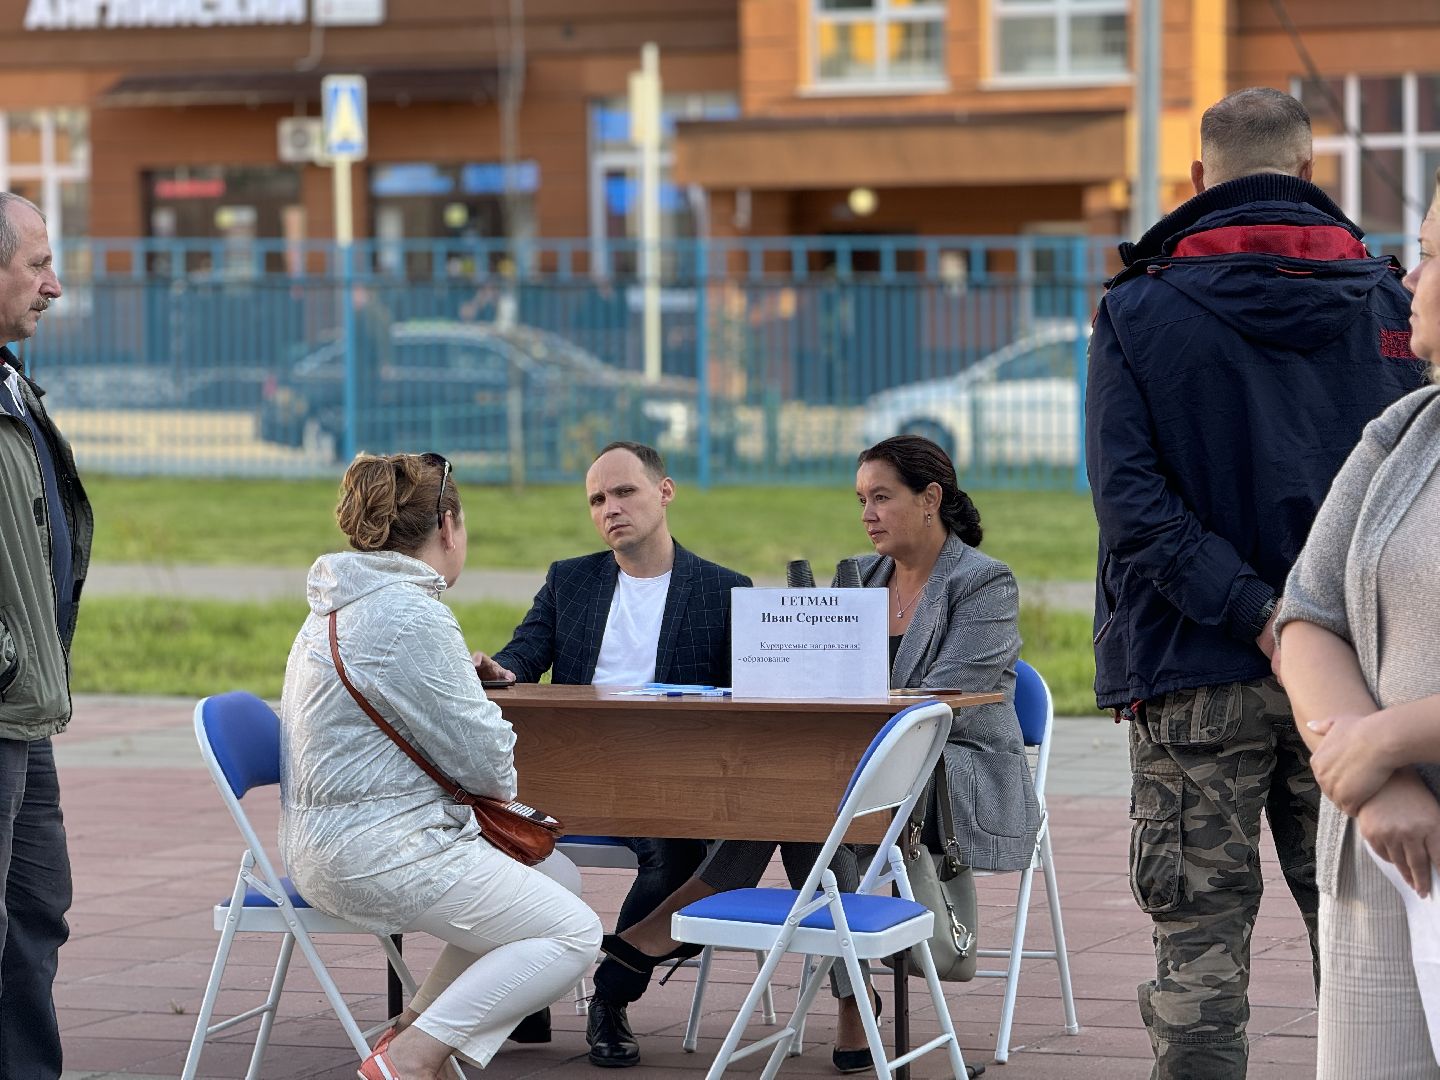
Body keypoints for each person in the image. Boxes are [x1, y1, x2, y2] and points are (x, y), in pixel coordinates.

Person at [1086, 86, 1427, 1078]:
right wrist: (1310, 625)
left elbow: (1133, 504)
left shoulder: (1140, 309)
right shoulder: (1391, 302)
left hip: (1193, 667)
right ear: (1310, 172)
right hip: (1363, 687)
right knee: (1375, 957)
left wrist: (1258, 614)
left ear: (1200, 179)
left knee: (1197, 960)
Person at [590, 434, 1038, 1077]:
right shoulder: (861, 576)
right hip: (853, 770)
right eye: (861, 500)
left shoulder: (984, 582)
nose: (868, 514)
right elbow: (824, 680)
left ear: (930, 499)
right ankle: (855, 1005)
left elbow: (943, 700)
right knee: (810, 816)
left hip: (952, 767)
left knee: (807, 806)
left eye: (882, 498)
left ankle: (645, 941)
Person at [279, 452, 602, 1080]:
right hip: (376, 851)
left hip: (333, 841)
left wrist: (455, 685)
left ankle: (411, 1025)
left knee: (557, 877)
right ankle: (413, 1059)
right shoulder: (408, 613)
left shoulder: (345, 599)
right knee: (574, 935)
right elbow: (492, 770)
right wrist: (463, 694)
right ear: (447, 525)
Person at [472, 441, 751, 1069]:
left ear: (665, 491)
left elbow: (744, 700)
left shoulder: (723, 590)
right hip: (571, 770)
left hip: (667, 777)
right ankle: (530, 983)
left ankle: (612, 992)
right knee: (484, 838)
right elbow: (526, 652)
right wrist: (502, 669)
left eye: (624, 492)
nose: (610, 509)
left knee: (677, 856)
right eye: (597, 499)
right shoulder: (570, 579)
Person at [1277, 172, 1440, 1078]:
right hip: (1386, 861)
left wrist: (1393, 737)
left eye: (1426, 253)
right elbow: (1307, 617)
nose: (1408, 280)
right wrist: (1376, 783)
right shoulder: (1404, 431)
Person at [0, 191, 85, 1080]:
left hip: (25, 708)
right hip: (4, 696)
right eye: (36, 264)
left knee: (36, 912)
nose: (53, 285)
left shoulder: (11, 381)